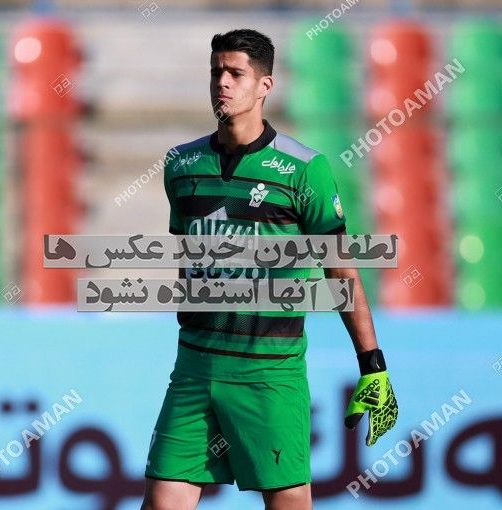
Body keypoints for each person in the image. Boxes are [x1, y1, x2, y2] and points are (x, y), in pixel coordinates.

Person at [141, 28, 398, 510]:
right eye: (216, 72)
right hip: (194, 368)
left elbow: (340, 269)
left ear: (265, 86)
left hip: (269, 374)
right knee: (160, 502)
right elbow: (186, 259)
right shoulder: (181, 164)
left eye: (235, 74)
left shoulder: (305, 170)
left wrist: (372, 363)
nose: (222, 82)